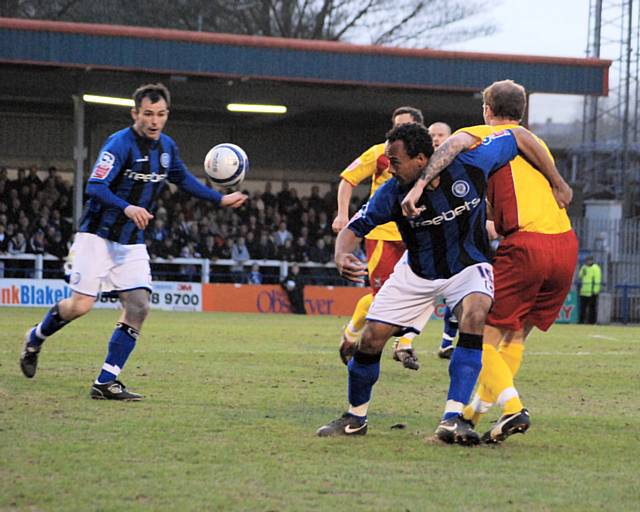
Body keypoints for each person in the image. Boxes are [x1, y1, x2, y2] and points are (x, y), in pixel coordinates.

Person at [317, 121, 562, 444]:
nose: (390, 168)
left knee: (475, 315)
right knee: (371, 339)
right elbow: (354, 228)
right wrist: (341, 254)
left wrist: (557, 182)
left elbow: (517, 136)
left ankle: (454, 418)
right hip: (417, 272)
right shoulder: (392, 193)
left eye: (395, 161)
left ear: (421, 160)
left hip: (468, 266)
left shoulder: (472, 165)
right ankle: (355, 417)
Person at [19, 83, 247, 400]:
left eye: (161, 114)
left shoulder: (167, 148)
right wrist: (127, 207)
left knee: (139, 307)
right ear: (135, 113)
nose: (155, 121)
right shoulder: (119, 144)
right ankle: (35, 337)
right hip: (96, 236)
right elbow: (95, 187)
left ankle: (106, 381)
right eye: (148, 114)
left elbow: (183, 180)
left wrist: (219, 200)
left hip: (131, 241)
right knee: (80, 306)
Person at [401, 79, 576, 444]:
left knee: (476, 334)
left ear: (487, 110)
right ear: (523, 110)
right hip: (564, 244)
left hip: (527, 246)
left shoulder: (488, 134)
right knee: (513, 337)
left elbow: (465, 142)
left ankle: (512, 408)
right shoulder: (538, 143)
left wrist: (419, 186)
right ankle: (475, 417)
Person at [332, 106, 425, 371]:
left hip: (416, 235)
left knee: (426, 289)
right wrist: (342, 215)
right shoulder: (380, 153)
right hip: (383, 235)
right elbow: (347, 179)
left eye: (403, 126)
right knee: (382, 296)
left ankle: (404, 343)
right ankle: (351, 334)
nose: (397, 132)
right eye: (394, 127)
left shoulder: (426, 158)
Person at [579, 256, 601, 324]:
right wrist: (582, 272)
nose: (588, 262)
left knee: (592, 308)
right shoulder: (584, 267)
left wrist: (595, 290)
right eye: (587, 261)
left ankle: (592, 322)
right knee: (582, 308)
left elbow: (597, 279)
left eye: (589, 260)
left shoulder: (596, 268)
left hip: (592, 292)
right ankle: (581, 321)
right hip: (584, 291)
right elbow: (580, 276)